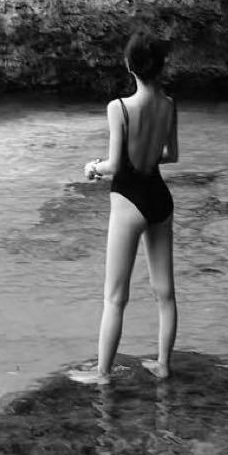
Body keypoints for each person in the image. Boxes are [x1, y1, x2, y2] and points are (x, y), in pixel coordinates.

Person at [70, 31, 179, 385]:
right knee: (165, 294)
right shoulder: (169, 105)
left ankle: (103, 374)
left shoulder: (118, 108)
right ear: (159, 67)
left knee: (115, 298)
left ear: (130, 65)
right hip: (159, 197)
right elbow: (172, 155)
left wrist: (93, 168)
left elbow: (115, 164)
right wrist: (148, 153)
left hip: (129, 200)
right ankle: (163, 365)